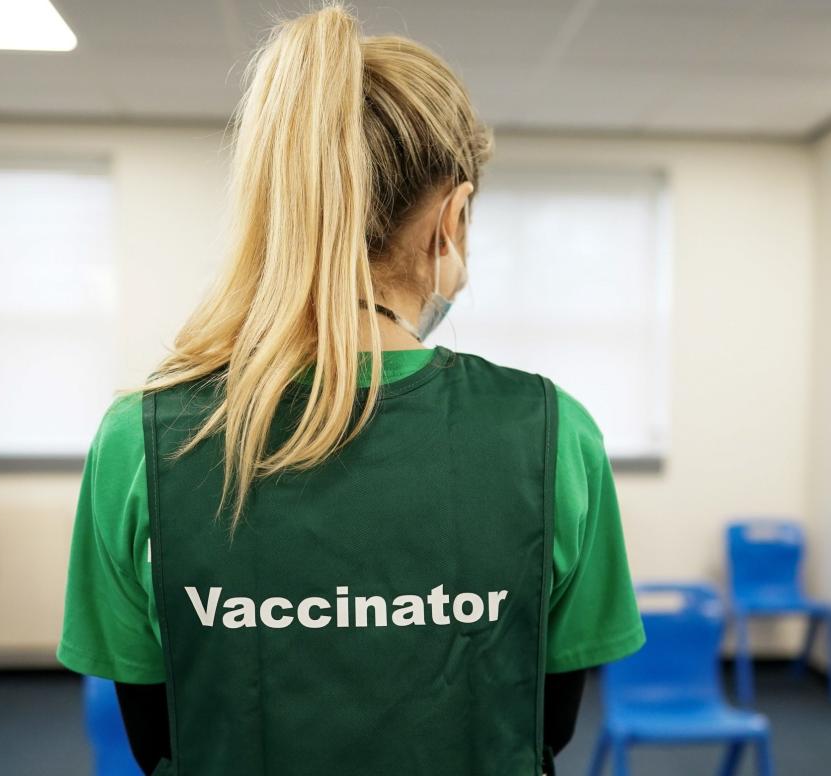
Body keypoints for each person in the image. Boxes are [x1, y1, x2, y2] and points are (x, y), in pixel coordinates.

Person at [58, 7, 645, 776]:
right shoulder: (551, 432)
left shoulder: (141, 439)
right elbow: (545, 724)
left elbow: (158, 737)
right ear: (452, 220)